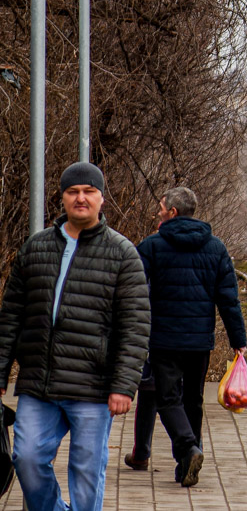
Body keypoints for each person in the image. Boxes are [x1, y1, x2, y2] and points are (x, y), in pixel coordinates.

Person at [0, 162, 150, 511]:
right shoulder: (35, 249)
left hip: (94, 389)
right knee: (27, 459)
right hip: (39, 384)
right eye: (72, 191)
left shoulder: (122, 254)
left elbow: (135, 325)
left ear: (101, 199)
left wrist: (124, 385)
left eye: (88, 191)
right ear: (62, 198)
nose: (80, 198)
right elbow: (10, 317)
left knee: (85, 475)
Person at [129, 186, 247, 487]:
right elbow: (228, 298)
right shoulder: (216, 248)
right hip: (199, 341)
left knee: (169, 399)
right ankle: (185, 466)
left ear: (173, 213)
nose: (157, 211)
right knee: (193, 399)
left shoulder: (152, 246)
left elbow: (134, 291)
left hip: (164, 340)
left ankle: (188, 447)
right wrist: (238, 339)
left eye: (161, 207)